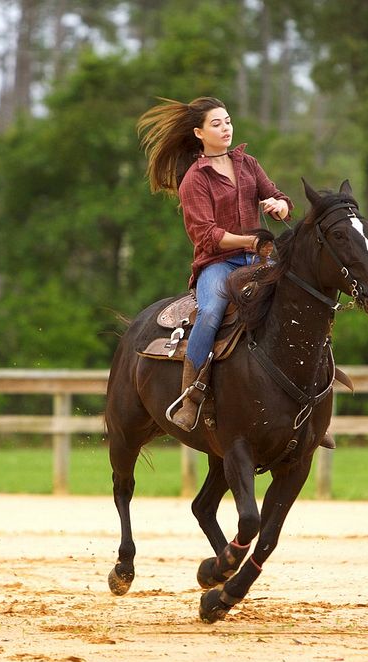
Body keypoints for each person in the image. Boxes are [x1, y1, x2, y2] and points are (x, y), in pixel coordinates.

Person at [137, 96, 292, 432]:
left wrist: (279, 205)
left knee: (300, 301)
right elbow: (206, 235)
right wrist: (249, 241)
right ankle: (191, 397)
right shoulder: (194, 179)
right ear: (199, 133)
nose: (226, 128)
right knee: (210, 312)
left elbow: (276, 194)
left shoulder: (248, 164)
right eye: (217, 124)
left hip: (259, 260)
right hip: (219, 264)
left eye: (228, 121)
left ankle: (310, 395)